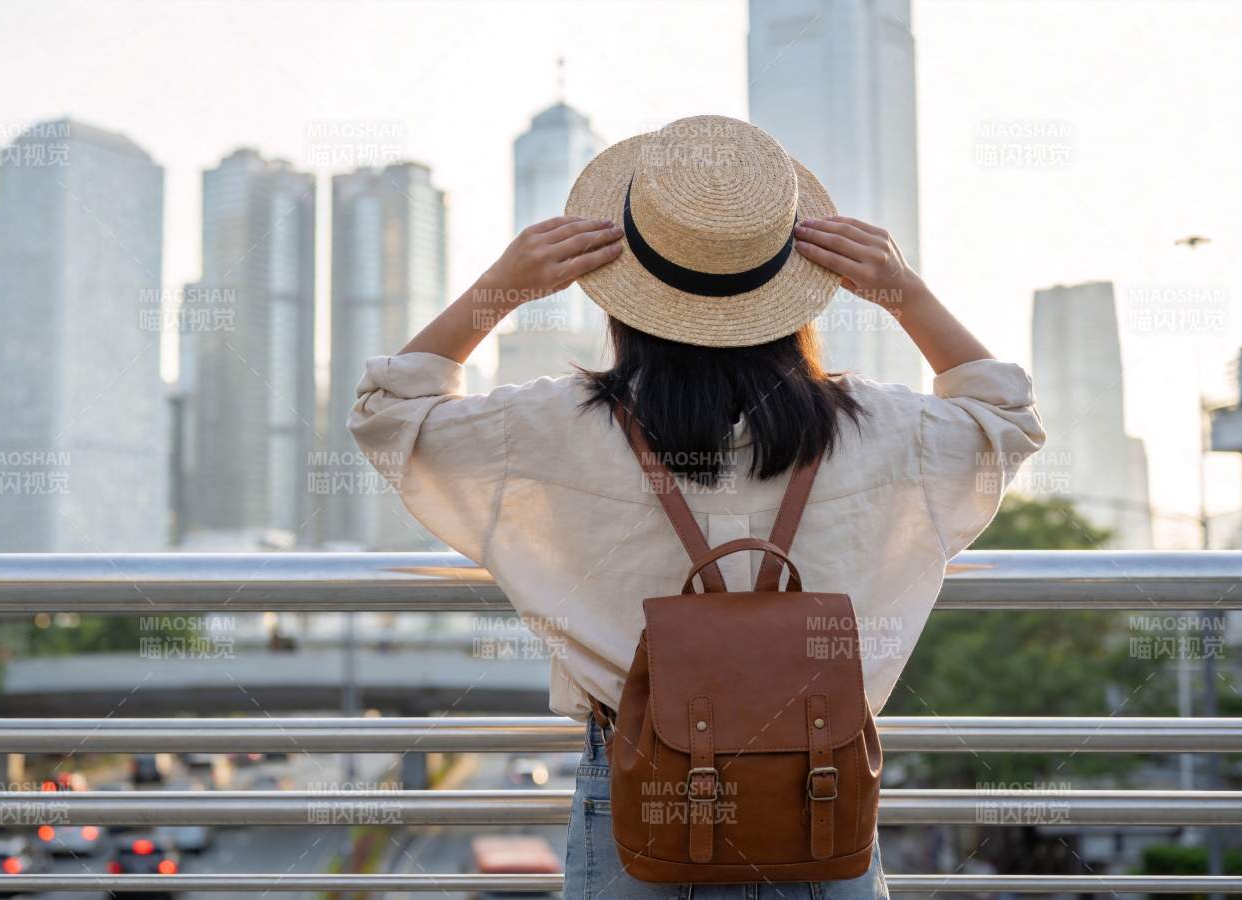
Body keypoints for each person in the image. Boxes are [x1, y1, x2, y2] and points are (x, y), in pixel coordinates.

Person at [348, 115, 1045, 899]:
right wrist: (904, 292)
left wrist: (501, 287)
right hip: (820, 799)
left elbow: (389, 411)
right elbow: (1007, 417)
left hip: (641, 804)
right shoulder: (887, 431)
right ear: (794, 295)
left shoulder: (547, 431)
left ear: (622, 294)